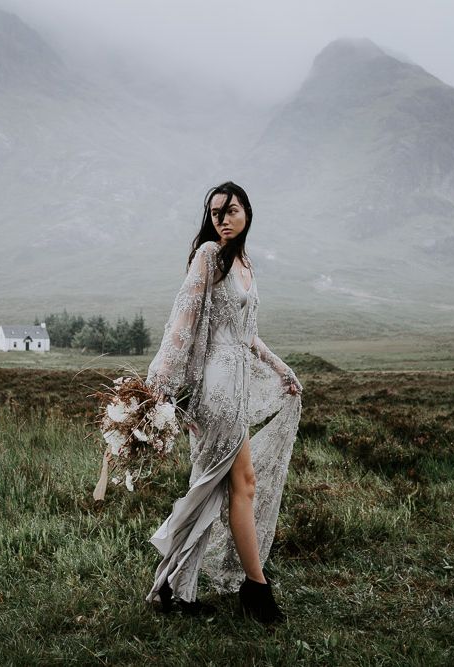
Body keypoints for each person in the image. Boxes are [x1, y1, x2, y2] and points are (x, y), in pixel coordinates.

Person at [144, 181, 303, 624]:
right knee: (240, 484)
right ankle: (256, 589)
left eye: (230, 210)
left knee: (225, 487)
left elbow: (246, 334)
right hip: (216, 389)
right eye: (215, 213)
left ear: (247, 211)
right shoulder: (209, 255)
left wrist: (281, 367)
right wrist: (155, 386)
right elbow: (184, 321)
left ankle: (177, 589)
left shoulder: (246, 264)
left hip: (238, 385)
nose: (223, 219)